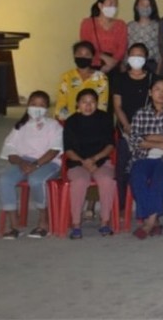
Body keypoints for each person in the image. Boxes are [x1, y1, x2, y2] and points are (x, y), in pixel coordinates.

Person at [0, 91, 62, 239]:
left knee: (36, 180)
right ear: (27, 106)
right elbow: (10, 151)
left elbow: (54, 150)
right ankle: (15, 225)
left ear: (47, 108)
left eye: (41, 105)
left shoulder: (54, 125)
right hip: (24, 162)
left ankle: (43, 221)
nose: (37, 108)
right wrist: (22, 162)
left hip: (48, 162)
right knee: (4, 181)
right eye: (33, 104)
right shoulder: (20, 126)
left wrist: (36, 165)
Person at [127, 76, 163, 240]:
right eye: (157, 89)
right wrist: (159, 141)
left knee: (160, 176)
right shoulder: (141, 113)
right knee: (137, 175)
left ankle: (149, 222)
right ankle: (155, 220)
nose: (162, 93)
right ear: (150, 93)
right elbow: (134, 140)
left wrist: (146, 138)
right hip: (143, 157)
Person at [62, 89, 116, 239]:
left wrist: (94, 159)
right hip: (77, 162)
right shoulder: (71, 121)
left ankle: (105, 222)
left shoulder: (104, 118)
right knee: (79, 181)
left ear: (97, 104)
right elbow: (68, 149)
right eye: (84, 102)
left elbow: (110, 145)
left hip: (101, 161)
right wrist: (83, 162)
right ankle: (76, 224)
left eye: (92, 102)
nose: (88, 105)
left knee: (107, 180)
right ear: (77, 104)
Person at [112, 43, 154, 208]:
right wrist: (127, 126)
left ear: (146, 58)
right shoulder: (120, 79)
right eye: (133, 55)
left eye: (140, 55)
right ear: (128, 57)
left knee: (147, 167)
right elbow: (117, 106)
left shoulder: (153, 79)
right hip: (126, 130)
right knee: (123, 167)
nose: (137, 58)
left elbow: (157, 106)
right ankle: (122, 205)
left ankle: (146, 205)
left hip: (148, 131)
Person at [55, 41, 109, 121]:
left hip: (94, 121)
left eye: (87, 54)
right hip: (70, 120)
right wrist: (62, 119)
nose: (83, 57)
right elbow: (61, 101)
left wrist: (98, 120)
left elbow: (102, 103)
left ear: (92, 57)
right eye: (79, 54)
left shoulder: (101, 77)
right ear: (74, 55)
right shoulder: (66, 76)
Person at [80, 0, 127, 75]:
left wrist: (111, 64)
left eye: (115, 5)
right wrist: (103, 57)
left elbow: (122, 47)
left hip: (114, 66)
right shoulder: (87, 23)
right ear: (100, 5)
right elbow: (86, 46)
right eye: (110, 4)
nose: (113, 7)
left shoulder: (121, 24)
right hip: (93, 65)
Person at [127, 0, 161, 73]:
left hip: (151, 64)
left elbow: (161, 51)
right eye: (142, 5)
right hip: (132, 64)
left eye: (148, 5)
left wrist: (158, 70)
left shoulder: (158, 26)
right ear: (136, 7)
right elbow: (126, 48)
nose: (145, 8)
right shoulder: (130, 26)